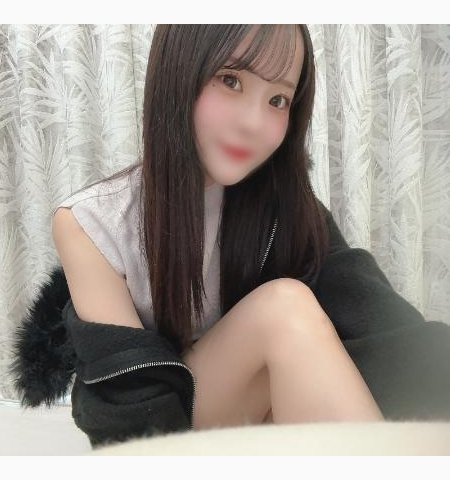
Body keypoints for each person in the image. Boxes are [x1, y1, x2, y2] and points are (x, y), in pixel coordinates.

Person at [51, 24, 385, 431]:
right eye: (230, 80)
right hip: (159, 424)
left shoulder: (285, 206)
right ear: (178, 72)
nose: (253, 124)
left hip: (250, 413)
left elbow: (376, 317)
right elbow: (132, 398)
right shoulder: (92, 223)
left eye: (277, 100)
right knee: (284, 308)